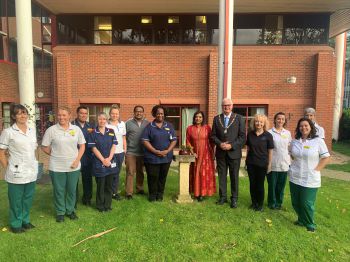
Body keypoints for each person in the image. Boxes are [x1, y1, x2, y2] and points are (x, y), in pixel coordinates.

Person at [42, 106, 86, 222]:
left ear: (69, 116)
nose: (61, 117)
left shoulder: (76, 129)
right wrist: (55, 154)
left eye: (64, 115)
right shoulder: (51, 130)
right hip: (56, 166)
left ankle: (70, 210)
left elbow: (82, 146)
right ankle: (60, 212)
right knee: (59, 190)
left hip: (74, 165)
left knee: (72, 190)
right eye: (60, 115)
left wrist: (77, 160)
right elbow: (44, 146)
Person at [0, 104, 38, 233]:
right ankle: (16, 223)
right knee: (16, 200)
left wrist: (36, 163)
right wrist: (7, 167)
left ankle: (25, 221)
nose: (23, 115)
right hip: (16, 170)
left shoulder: (32, 130)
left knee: (28, 198)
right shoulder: (8, 132)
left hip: (31, 170)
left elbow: (34, 148)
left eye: (24, 113)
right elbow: (2, 152)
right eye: (19, 113)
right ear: (13, 116)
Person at [289, 117, 330, 232]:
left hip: (310, 177)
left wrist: (316, 170)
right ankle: (301, 220)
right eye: (301, 126)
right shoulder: (295, 141)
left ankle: (310, 223)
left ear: (311, 127)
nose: (303, 128)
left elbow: (326, 157)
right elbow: (291, 154)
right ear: (298, 128)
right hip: (295, 176)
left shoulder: (318, 141)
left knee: (307, 202)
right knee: (296, 201)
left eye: (306, 125)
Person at [211, 98, 246, 208]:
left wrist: (231, 145)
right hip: (221, 153)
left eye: (228, 105)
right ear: (222, 106)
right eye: (224, 105)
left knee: (234, 176)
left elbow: (242, 137)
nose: (226, 107)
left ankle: (234, 199)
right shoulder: (217, 119)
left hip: (234, 153)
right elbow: (213, 136)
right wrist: (220, 144)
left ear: (232, 106)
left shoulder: (239, 118)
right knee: (221, 176)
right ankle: (223, 197)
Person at [141, 105, 177, 202]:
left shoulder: (169, 126)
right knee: (152, 177)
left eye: (162, 113)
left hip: (166, 157)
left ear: (164, 114)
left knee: (162, 177)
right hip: (152, 157)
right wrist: (155, 151)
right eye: (158, 113)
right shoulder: (149, 127)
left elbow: (174, 140)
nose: (160, 115)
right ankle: (152, 195)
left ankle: (160, 195)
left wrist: (167, 151)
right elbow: (145, 141)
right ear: (154, 114)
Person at [88, 112, 118, 212]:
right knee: (101, 185)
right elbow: (93, 148)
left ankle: (108, 205)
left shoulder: (111, 131)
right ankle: (100, 206)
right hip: (99, 163)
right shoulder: (93, 133)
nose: (102, 121)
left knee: (109, 185)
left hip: (110, 162)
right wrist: (103, 160)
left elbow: (114, 145)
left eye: (104, 119)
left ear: (106, 120)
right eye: (100, 119)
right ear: (97, 120)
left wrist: (109, 158)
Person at [186, 110, 216, 201]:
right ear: (194, 118)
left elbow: (212, 141)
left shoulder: (207, 128)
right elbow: (188, 142)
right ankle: (196, 192)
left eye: (200, 117)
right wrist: (192, 152)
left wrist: (211, 153)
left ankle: (203, 193)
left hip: (206, 155)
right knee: (196, 172)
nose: (198, 118)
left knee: (204, 173)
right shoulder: (189, 128)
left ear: (203, 119)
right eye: (196, 117)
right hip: (195, 154)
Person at [246, 114, 274, 211]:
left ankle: (260, 205)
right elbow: (248, 149)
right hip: (251, 164)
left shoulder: (268, 136)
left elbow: (270, 151)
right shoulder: (250, 134)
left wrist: (269, 164)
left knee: (260, 185)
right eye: (257, 121)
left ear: (264, 123)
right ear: (254, 123)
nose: (259, 123)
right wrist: (246, 162)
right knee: (252, 184)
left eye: (261, 122)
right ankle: (254, 203)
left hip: (262, 164)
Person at [267, 112, 292, 210]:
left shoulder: (287, 133)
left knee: (281, 186)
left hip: (285, 163)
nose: (280, 121)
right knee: (272, 185)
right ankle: (271, 203)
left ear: (284, 121)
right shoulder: (270, 132)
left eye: (282, 119)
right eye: (278, 118)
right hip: (273, 162)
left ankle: (279, 203)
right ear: (275, 120)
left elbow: (289, 147)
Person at [125, 105, 149, 199]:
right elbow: (124, 137)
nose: (139, 113)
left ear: (143, 113)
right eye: (137, 111)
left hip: (142, 152)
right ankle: (129, 193)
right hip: (131, 152)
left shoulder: (147, 123)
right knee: (130, 171)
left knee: (140, 172)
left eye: (140, 111)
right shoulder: (128, 123)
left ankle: (139, 188)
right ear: (134, 112)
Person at [72, 106, 94, 206]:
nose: (84, 115)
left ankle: (87, 199)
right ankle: (73, 200)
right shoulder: (71, 125)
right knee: (74, 180)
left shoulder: (90, 126)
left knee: (87, 179)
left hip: (87, 157)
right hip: (74, 156)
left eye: (85, 113)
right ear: (77, 113)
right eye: (81, 113)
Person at [106, 105, 126, 201]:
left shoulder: (122, 124)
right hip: (111, 153)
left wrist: (125, 149)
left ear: (119, 114)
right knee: (111, 172)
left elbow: (123, 138)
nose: (115, 115)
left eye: (116, 113)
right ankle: (109, 191)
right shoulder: (106, 124)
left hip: (120, 152)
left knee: (117, 173)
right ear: (109, 114)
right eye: (113, 113)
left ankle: (115, 192)